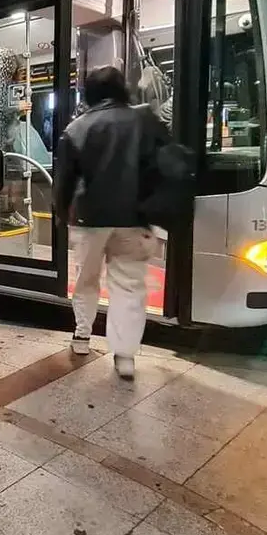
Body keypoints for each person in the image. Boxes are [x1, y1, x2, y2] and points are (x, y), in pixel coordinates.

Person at [54, 67, 169, 380]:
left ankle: (81, 337)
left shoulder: (76, 129)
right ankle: (124, 356)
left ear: (89, 94)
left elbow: (64, 182)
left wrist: (62, 215)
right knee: (129, 286)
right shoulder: (146, 121)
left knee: (86, 279)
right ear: (122, 91)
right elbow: (162, 169)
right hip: (133, 219)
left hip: (89, 219)